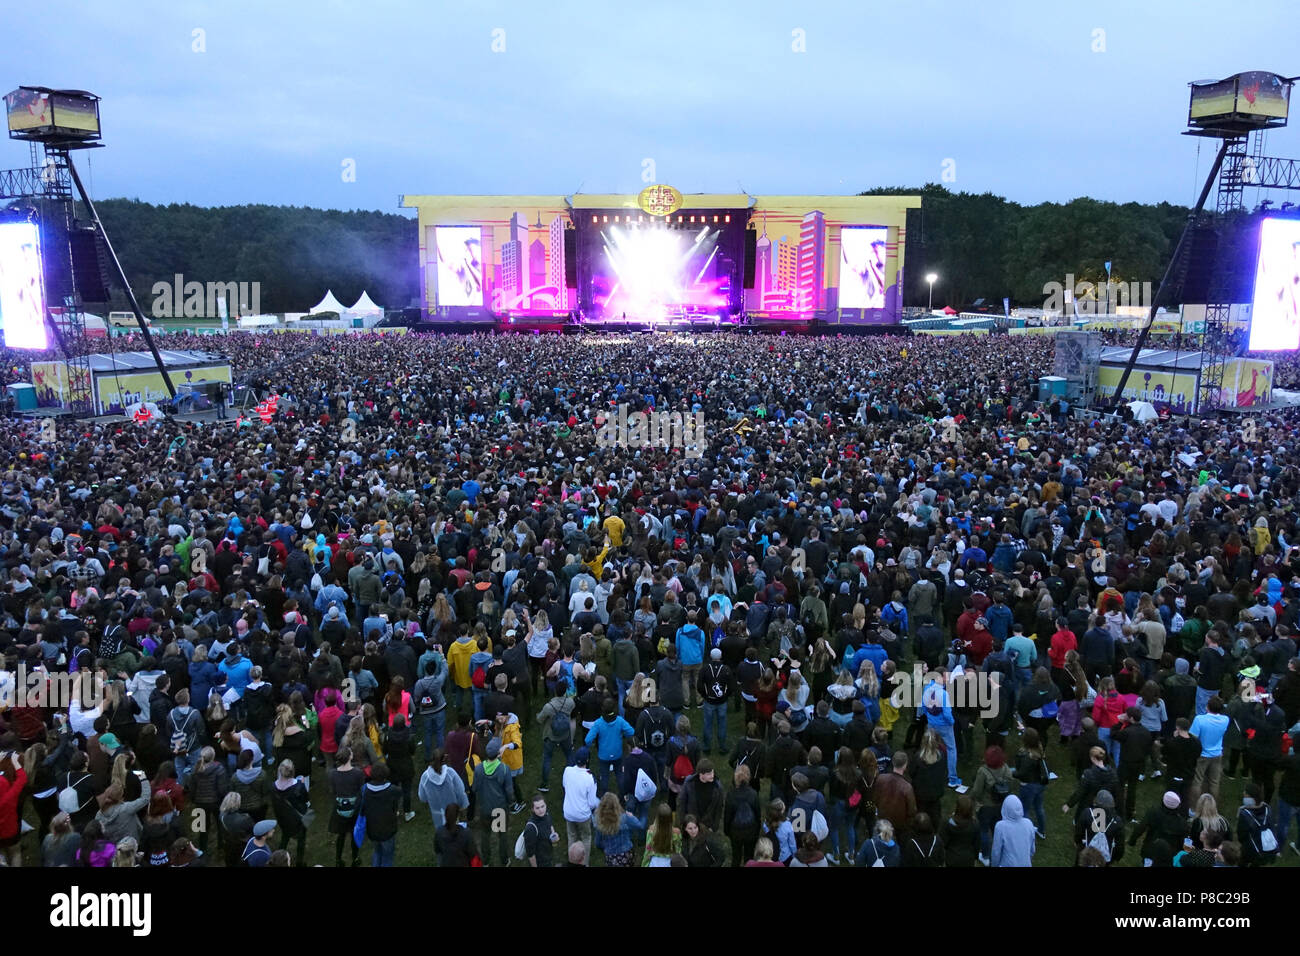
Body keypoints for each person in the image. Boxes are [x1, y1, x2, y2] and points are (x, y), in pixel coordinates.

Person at [561, 747, 599, 855]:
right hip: (583, 815)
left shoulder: (567, 770)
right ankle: (584, 862)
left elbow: (564, 785)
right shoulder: (590, 778)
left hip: (568, 812)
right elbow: (592, 803)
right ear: (587, 760)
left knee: (571, 836)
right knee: (586, 837)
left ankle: (572, 860)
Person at [592, 791, 641, 866]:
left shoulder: (600, 823)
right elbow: (638, 825)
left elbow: (598, 843)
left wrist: (605, 847)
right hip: (626, 854)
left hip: (611, 856)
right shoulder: (624, 818)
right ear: (616, 805)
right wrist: (631, 816)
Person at [990, 794, 1036, 867]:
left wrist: (994, 865)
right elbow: (1032, 849)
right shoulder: (1029, 823)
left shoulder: (1000, 826)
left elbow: (996, 852)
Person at [522, 792, 561, 867]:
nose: (541, 810)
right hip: (540, 862)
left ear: (546, 805)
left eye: (542, 806)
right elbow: (530, 853)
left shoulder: (546, 815)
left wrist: (554, 835)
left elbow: (550, 826)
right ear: (533, 809)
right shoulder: (531, 828)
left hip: (548, 855)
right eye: (537, 808)